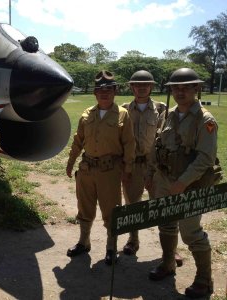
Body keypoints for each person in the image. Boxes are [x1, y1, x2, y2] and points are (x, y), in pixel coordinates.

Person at [146, 68, 218, 298]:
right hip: (165, 180)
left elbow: (205, 158)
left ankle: (204, 280)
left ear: (196, 88)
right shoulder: (168, 114)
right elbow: (158, 146)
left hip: (190, 185)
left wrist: (183, 182)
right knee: (166, 224)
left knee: (191, 233)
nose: (180, 91)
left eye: (186, 87)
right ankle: (168, 264)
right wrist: (152, 174)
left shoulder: (205, 120)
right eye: (176, 87)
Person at [66, 70, 135, 265]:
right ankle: (83, 242)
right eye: (100, 90)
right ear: (95, 93)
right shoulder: (87, 114)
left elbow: (130, 143)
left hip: (109, 171)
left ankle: (111, 247)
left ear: (114, 92)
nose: (104, 93)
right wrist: (71, 162)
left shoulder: (123, 115)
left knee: (111, 211)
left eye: (109, 89)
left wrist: (128, 170)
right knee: (84, 207)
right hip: (87, 169)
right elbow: (78, 140)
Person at [120, 70, 166, 255]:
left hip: (154, 165)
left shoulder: (162, 109)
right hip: (132, 164)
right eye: (137, 85)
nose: (141, 88)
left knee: (161, 204)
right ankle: (133, 240)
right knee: (132, 204)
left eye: (145, 85)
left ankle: (169, 247)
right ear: (131, 87)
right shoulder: (123, 110)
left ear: (151, 87)